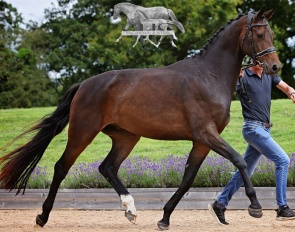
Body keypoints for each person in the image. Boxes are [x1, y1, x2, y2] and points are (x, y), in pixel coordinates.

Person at [208, 59, 295, 225]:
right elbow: (222, 91)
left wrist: (292, 93)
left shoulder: (270, 74)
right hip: (252, 129)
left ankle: (219, 204)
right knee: (283, 160)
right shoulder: (243, 76)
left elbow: (286, 87)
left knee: (245, 171)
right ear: (253, 60)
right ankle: (282, 207)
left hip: (264, 129)